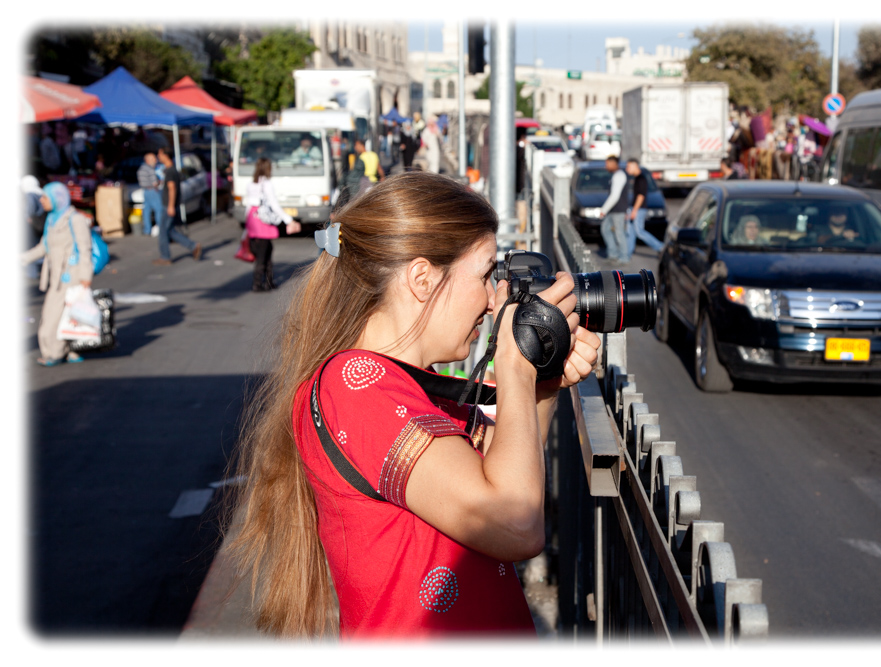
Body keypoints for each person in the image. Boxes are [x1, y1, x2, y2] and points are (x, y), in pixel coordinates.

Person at [222, 171, 601, 639]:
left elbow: (504, 474)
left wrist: (540, 382)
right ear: (422, 278)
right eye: (485, 275)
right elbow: (514, 524)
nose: (490, 302)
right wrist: (514, 368)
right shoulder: (355, 388)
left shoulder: (408, 386)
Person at [20, 182, 93, 366]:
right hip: (56, 277)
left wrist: (86, 276)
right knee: (64, 316)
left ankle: (54, 353)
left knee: (53, 318)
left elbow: (85, 248)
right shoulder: (52, 219)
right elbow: (43, 247)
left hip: (72, 276)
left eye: (45, 197)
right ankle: (71, 351)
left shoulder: (74, 219)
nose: (41, 201)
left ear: (57, 198)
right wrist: (21, 259)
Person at [244, 158, 302, 292]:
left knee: (265, 251)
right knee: (264, 254)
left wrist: (247, 227)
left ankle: (267, 281)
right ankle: (259, 283)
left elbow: (249, 204)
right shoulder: (267, 184)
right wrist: (288, 220)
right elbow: (273, 204)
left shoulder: (251, 183)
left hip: (253, 219)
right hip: (263, 220)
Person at [154, 148, 203, 265]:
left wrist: (170, 206)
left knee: (163, 231)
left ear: (166, 155)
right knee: (170, 230)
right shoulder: (170, 170)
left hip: (168, 206)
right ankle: (193, 246)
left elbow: (172, 188)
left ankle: (165, 257)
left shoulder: (170, 171)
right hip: (170, 205)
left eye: (160, 154)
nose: (158, 156)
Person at [624, 158, 664, 256]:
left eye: (629, 166)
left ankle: (660, 247)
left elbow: (641, 196)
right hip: (635, 208)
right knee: (630, 232)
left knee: (639, 232)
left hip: (639, 209)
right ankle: (627, 254)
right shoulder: (637, 178)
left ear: (635, 166)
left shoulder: (641, 179)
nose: (627, 169)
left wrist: (634, 210)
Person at [599, 155, 629, 264]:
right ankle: (613, 255)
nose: (606, 166)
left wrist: (604, 209)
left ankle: (623, 258)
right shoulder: (616, 175)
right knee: (606, 229)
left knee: (619, 233)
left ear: (614, 163)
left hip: (618, 210)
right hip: (614, 210)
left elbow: (615, 196)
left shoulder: (619, 176)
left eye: (607, 163)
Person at [137, 151, 165, 236]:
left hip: (145, 191)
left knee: (146, 211)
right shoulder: (150, 169)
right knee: (159, 209)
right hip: (153, 190)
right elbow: (155, 183)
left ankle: (147, 230)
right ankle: (161, 228)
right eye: (154, 159)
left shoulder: (141, 168)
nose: (156, 160)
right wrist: (160, 182)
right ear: (148, 160)